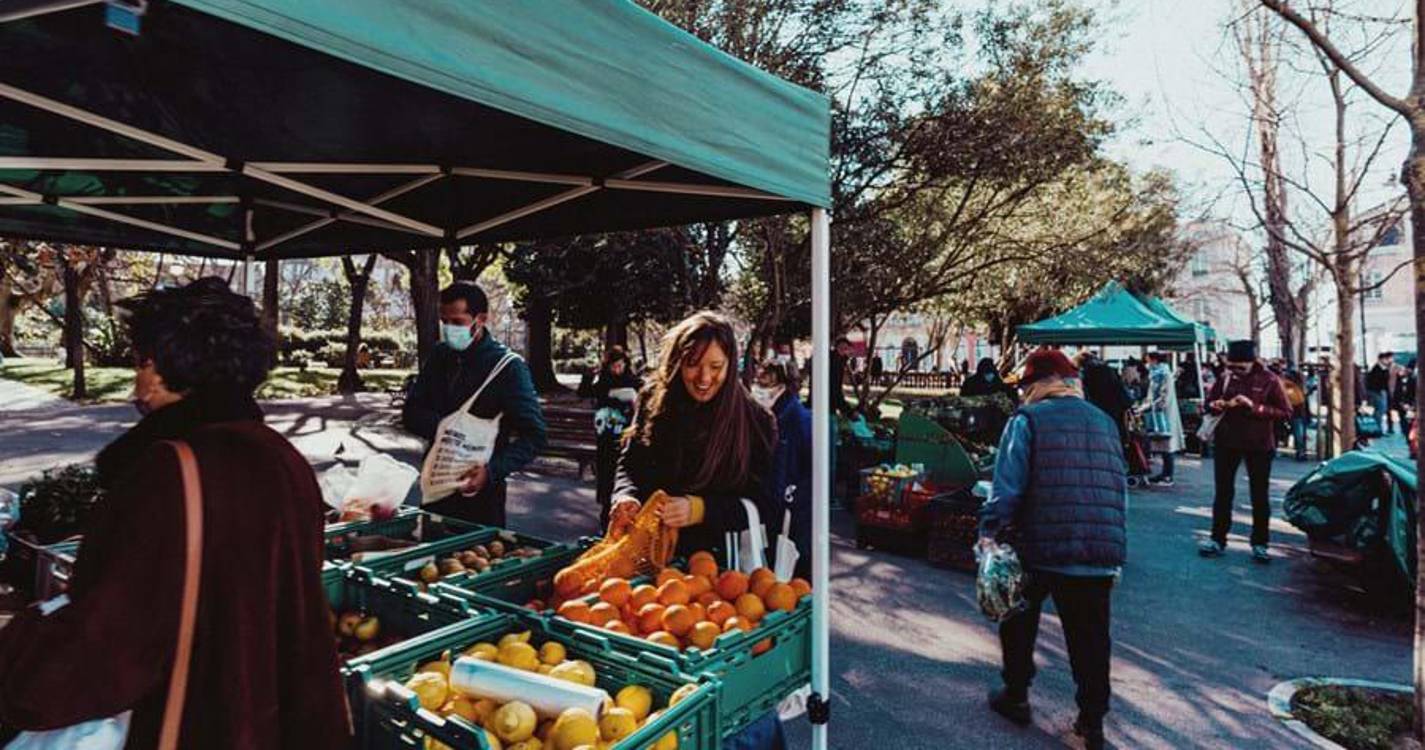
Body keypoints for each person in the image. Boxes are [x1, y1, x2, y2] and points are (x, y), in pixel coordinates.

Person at [0, 278, 349, 747]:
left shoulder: (168, 472)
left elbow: (108, 648)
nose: (136, 385)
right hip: (268, 717)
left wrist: (18, 654)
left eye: (142, 363)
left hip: (193, 723)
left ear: (172, 368)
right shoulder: (283, 458)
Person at [979, 349, 1127, 750]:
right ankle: (1090, 723)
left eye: (1025, 386)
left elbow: (1008, 486)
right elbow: (1119, 487)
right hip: (1099, 547)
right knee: (1092, 638)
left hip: (1039, 543)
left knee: (1017, 617)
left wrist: (989, 531)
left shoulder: (1026, 420)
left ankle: (1016, 695)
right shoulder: (1105, 422)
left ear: (1039, 384)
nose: (1022, 393)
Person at [612, 311, 777, 562]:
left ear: (731, 365)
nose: (704, 378)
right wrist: (625, 495)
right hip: (645, 555)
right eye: (692, 364)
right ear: (677, 362)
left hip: (716, 571)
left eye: (716, 367)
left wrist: (700, 509)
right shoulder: (653, 399)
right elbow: (630, 463)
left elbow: (765, 503)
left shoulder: (756, 421)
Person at [402, 281, 547, 526]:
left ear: (481, 319)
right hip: (436, 489)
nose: (449, 329)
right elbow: (411, 413)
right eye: (444, 321)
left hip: (481, 500)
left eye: (457, 322)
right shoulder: (439, 356)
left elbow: (534, 436)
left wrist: (491, 472)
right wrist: (447, 430)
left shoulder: (508, 368)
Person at [1198, 340, 1291, 563]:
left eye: (1240, 367)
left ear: (1252, 362)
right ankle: (1217, 538)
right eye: (1232, 366)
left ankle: (1260, 542)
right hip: (1226, 441)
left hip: (1259, 444)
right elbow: (1208, 402)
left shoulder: (1269, 379)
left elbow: (1285, 411)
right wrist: (1215, 405)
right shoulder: (1225, 377)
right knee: (1222, 493)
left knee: (1259, 494)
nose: (1235, 371)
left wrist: (1254, 407)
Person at [753, 356, 812, 580]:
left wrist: (792, 496)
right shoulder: (765, 417)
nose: (760, 389)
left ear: (783, 387)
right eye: (759, 382)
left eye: (766, 384)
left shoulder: (799, 420)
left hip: (792, 512)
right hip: (770, 508)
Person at [589, 346, 642, 528]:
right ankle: (605, 518)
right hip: (605, 437)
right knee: (606, 478)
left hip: (625, 436)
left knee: (624, 475)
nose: (617, 370)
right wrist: (613, 394)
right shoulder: (602, 382)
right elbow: (589, 392)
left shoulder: (633, 382)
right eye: (614, 366)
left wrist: (631, 397)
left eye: (620, 365)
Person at [1141, 352, 1183, 486]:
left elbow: (1161, 395)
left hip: (1162, 413)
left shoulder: (1161, 374)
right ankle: (1165, 473)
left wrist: (1148, 406)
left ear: (1154, 360)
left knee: (1166, 443)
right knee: (1163, 443)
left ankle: (1168, 476)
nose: (1147, 363)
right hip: (1160, 411)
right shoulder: (1160, 373)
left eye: (1148, 360)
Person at [1075, 351, 1131, 442]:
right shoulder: (1110, 371)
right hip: (1115, 422)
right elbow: (1127, 400)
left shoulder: (1083, 376)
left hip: (1093, 423)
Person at [829, 337, 854, 416]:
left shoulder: (841, 361)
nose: (846, 351)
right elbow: (835, 387)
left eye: (846, 348)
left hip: (831, 401)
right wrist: (846, 409)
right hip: (828, 400)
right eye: (843, 348)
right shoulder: (835, 362)